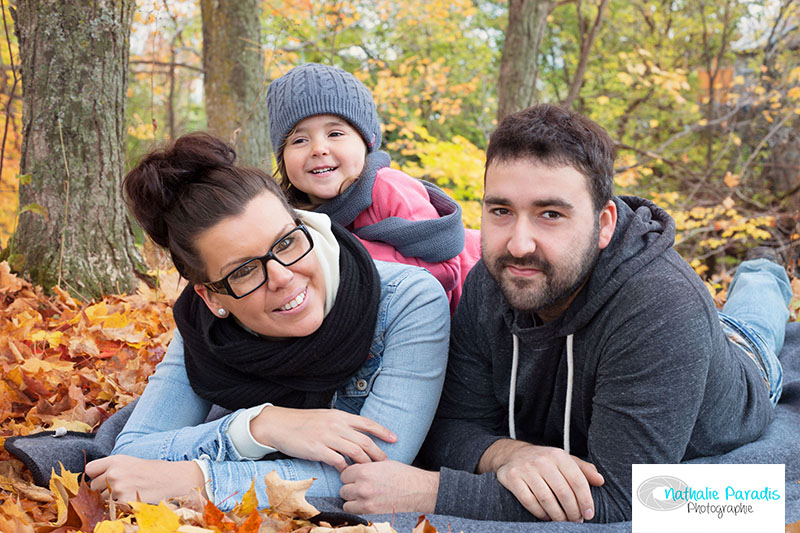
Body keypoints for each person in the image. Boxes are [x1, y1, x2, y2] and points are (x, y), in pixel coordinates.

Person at [337, 104, 792, 523]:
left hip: (740, 376)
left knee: (752, 330)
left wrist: (433, 492)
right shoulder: (492, 279)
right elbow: (453, 424)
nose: (518, 244)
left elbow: (625, 498)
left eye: (550, 214)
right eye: (500, 210)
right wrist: (507, 454)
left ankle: (762, 274)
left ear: (604, 224)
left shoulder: (661, 307)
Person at [83, 132, 450, 510]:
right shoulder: (203, 327)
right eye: (243, 271)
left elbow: (375, 476)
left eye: (286, 243)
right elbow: (130, 453)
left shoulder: (407, 300)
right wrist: (262, 426)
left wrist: (199, 480)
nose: (282, 277)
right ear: (212, 298)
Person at [266, 62, 481, 313]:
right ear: (282, 157)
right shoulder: (290, 216)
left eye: (335, 134)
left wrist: (345, 257)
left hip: (474, 295)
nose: (318, 149)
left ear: (366, 141)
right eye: (300, 140)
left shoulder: (388, 187)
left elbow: (445, 270)